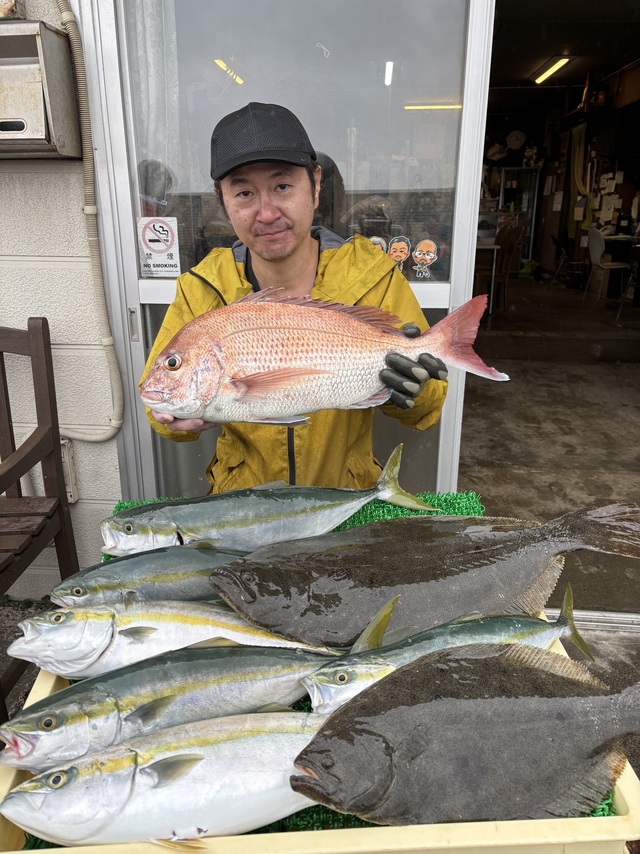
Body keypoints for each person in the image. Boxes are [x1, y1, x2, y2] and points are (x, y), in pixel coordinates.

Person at [140, 102, 448, 493]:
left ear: (316, 185)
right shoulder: (201, 289)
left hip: (345, 497)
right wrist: (176, 421)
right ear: (223, 202)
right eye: (244, 193)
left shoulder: (374, 277)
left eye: (282, 186)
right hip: (243, 503)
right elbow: (159, 400)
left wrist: (410, 393)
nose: (267, 213)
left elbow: (429, 406)